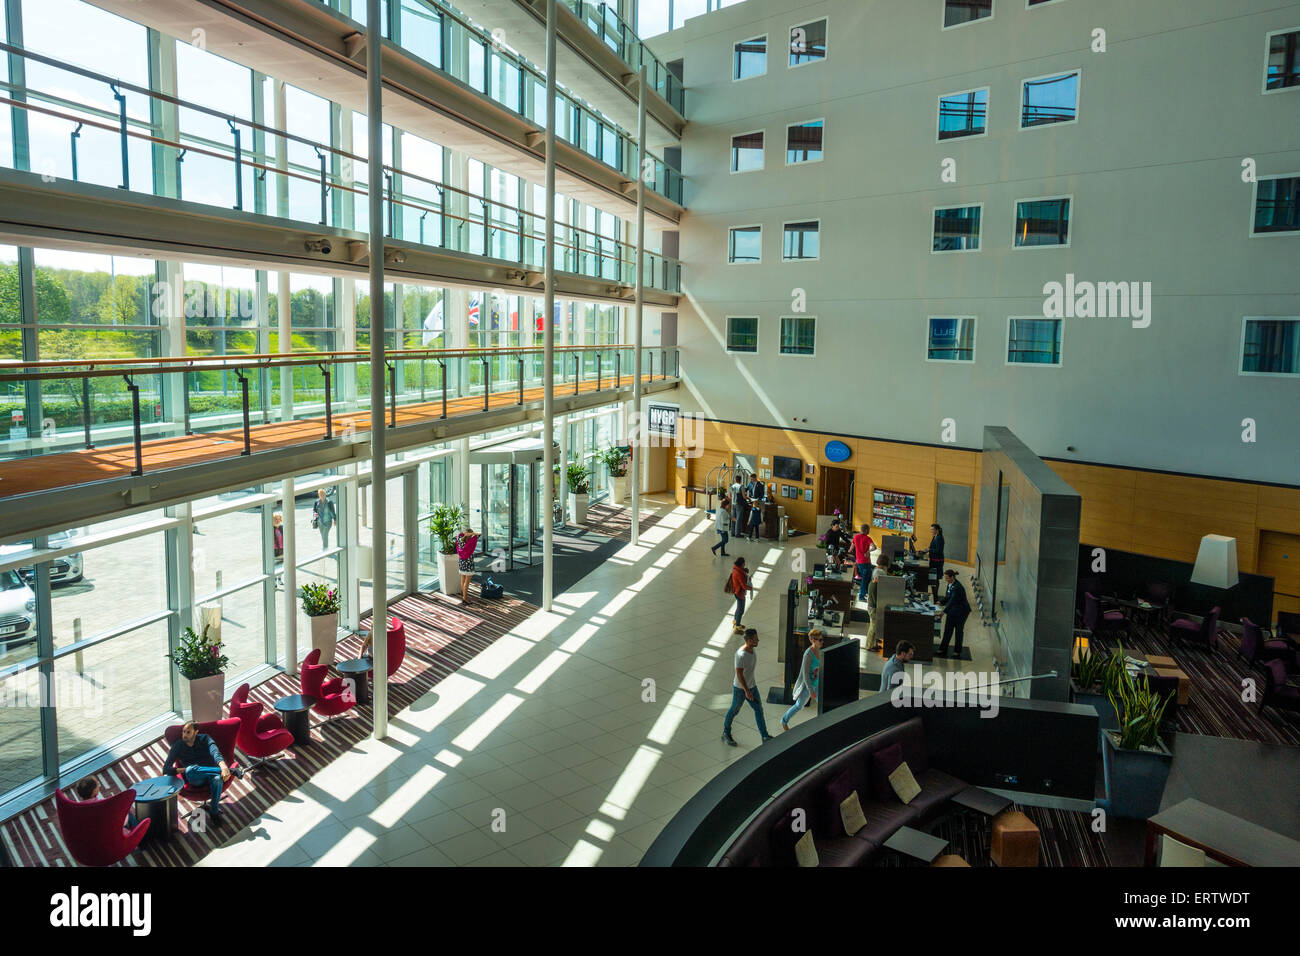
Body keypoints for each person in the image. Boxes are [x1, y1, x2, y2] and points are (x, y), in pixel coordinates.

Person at [162, 720, 243, 825]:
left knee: (217, 779)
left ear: (196, 732)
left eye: (188, 732)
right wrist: (185, 770)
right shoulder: (178, 745)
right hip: (195, 778)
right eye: (183, 732)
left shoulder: (205, 738)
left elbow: (215, 752)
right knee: (191, 770)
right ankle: (232, 771)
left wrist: (223, 766)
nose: (184, 735)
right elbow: (166, 769)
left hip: (211, 774)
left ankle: (214, 812)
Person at [722, 627, 773, 745]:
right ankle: (726, 733)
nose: (758, 641)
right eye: (755, 639)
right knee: (734, 710)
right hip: (740, 689)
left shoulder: (752, 650)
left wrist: (750, 688)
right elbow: (739, 674)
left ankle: (765, 736)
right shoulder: (741, 655)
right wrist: (746, 690)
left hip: (752, 686)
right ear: (749, 640)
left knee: (758, 709)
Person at [781, 628, 823, 731]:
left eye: (822, 639)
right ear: (813, 640)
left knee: (822, 704)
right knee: (799, 705)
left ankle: (823, 725)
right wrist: (810, 690)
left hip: (817, 684)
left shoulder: (820, 651)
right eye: (820, 640)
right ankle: (784, 720)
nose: (822, 642)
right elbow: (805, 675)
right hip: (808, 685)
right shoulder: (808, 655)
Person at [936, 568, 971, 659]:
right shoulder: (950, 584)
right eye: (945, 578)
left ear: (952, 577)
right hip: (953, 610)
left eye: (947, 578)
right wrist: (941, 602)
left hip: (962, 612)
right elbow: (948, 597)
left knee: (958, 631)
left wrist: (943, 612)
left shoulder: (958, 587)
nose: (946, 580)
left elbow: (952, 601)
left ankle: (957, 651)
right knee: (947, 630)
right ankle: (943, 649)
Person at [865, 554, 889, 651]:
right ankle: (869, 645)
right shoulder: (874, 585)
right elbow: (875, 600)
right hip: (873, 607)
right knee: (873, 627)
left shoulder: (873, 582)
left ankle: (873, 644)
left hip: (872, 606)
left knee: (875, 626)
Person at [728, 556, 754, 634]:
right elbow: (743, 585)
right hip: (740, 593)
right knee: (741, 610)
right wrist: (750, 588)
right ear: (741, 564)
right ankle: (737, 627)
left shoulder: (737, 569)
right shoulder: (738, 573)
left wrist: (744, 570)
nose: (744, 565)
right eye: (744, 564)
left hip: (737, 592)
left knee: (738, 608)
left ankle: (736, 622)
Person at [455, 526, 480, 605]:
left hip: (462, 562)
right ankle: (465, 598)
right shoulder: (470, 541)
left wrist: (465, 533)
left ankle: (464, 596)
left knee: (463, 579)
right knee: (467, 581)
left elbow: (459, 534)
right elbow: (478, 535)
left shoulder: (459, 540)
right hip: (468, 563)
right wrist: (472, 533)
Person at [852, 524, 876, 602]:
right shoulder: (868, 538)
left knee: (864, 578)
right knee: (865, 580)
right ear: (866, 530)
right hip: (865, 562)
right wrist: (868, 551)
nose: (869, 531)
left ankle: (865, 592)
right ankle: (861, 596)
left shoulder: (855, 537)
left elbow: (851, 547)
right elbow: (874, 547)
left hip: (858, 562)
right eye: (869, 530)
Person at [924, 523, 945, 599]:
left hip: (937, 562)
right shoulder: (935, 537)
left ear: (937, 530)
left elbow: (938, 550)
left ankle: (935, 597)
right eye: (931, 530)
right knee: (933, 578)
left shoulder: (939, 538)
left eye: (932, 529)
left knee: (935, 578)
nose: (931, 531)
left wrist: (929, 549)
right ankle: (934, 595)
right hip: (934, 560)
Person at [272, 512, 285, 589]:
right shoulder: (271, 528)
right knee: (274, 566)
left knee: (281, 566)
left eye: (279, 519)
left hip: (281, 549)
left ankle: (279, 579)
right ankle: (274, 581)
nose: (277, 520)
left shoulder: (281, 528)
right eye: (276, 519)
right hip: (274, 550)